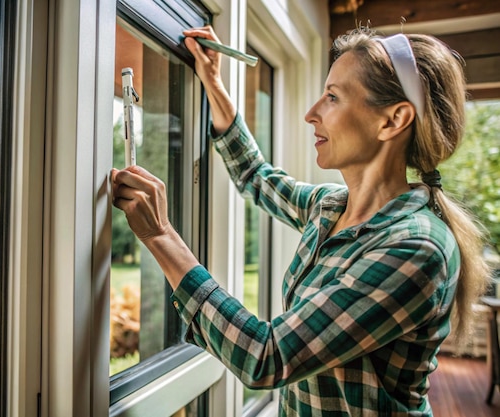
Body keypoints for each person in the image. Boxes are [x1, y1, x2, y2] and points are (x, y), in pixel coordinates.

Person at [111, 25, 491, 416]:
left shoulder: (418, 248)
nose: (312, 114)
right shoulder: (330, 207)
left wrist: (161, 235)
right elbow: (255, 177)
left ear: (393, 120)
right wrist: (213, 82)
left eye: (332, 97)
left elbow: (268, 358)